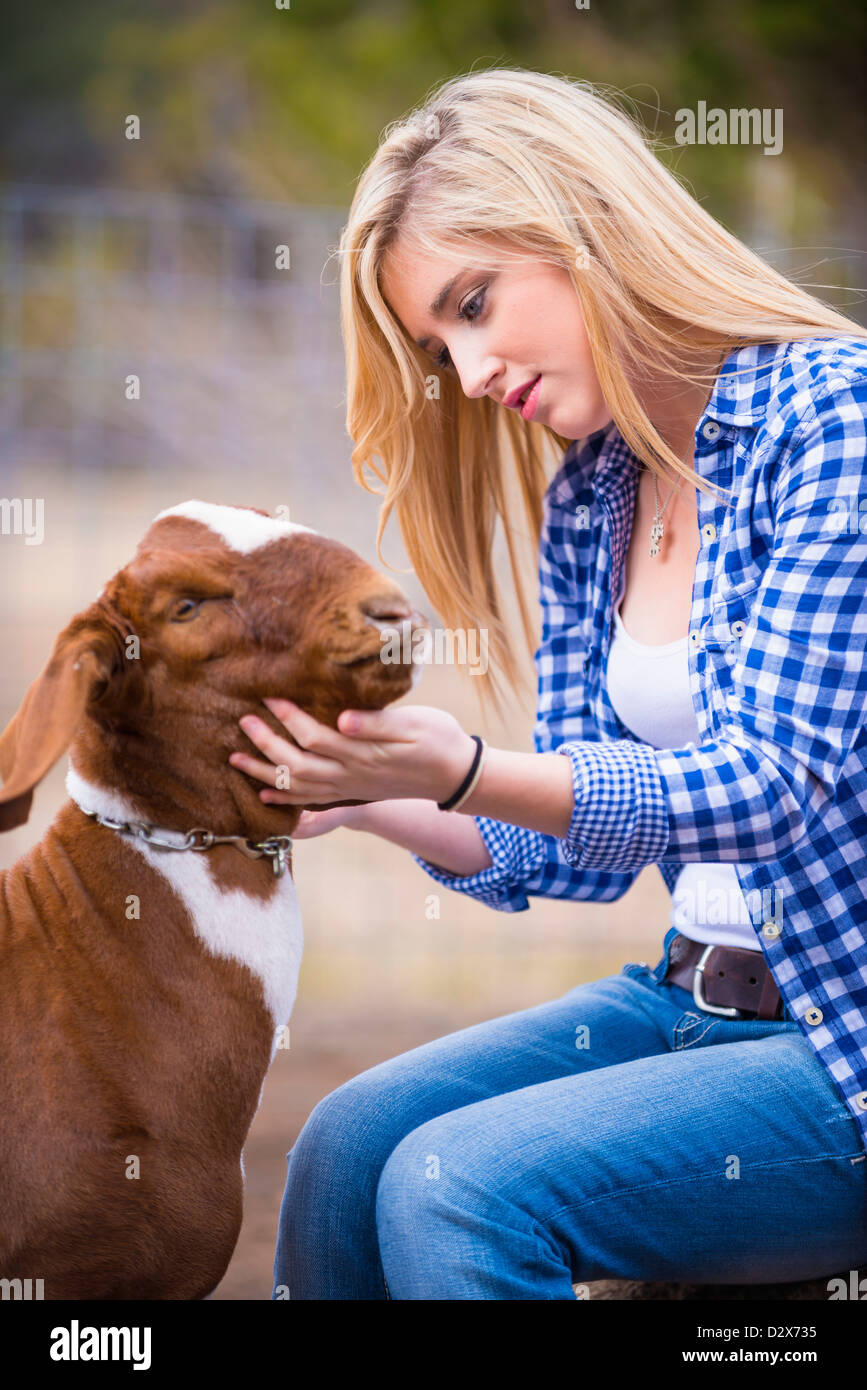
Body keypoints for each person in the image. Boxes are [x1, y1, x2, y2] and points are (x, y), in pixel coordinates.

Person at [228, 68, 867, 1299]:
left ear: (585, 224)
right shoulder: (597, 493)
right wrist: (365, 791)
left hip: (842, 1047)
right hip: (698, 998)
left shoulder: (835, 424)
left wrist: (459, 764)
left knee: (456, 1186)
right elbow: (567, 851)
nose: (467, 372)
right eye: (439, 341)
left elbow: (771, 785)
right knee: (349, 1148)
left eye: (475, 304)